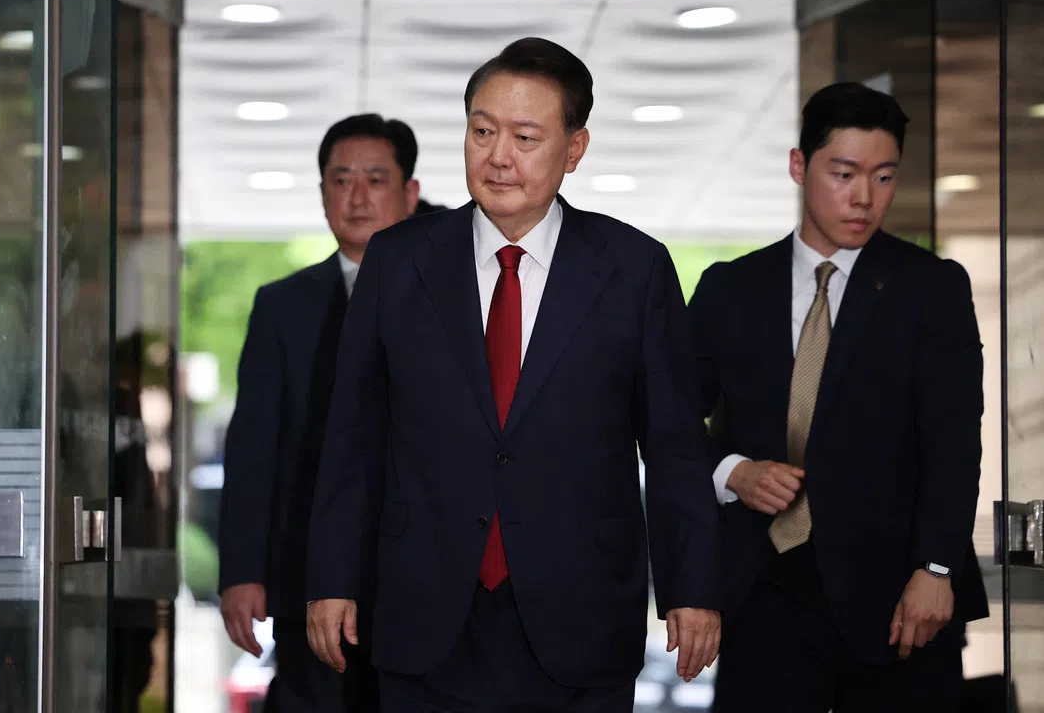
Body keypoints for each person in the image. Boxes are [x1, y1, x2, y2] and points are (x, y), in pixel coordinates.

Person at [305, 36, 720, 712]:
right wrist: (331, 577)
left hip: (580, 613)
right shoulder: (397, 261)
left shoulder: (633, 268)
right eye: (482, 131)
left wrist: (693, 587)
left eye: (525, 136)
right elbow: (354, 435)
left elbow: (673, 445)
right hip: (427, 613)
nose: (498, 156)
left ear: (574, 149)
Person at [688, 82, 988, 712]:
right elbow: (670, 422)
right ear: (799, 166)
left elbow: (954, 442)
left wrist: (936, 570)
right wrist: (732, 471)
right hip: (763, 589)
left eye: (883, 177)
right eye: (843, 173)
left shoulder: (930, 289)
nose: (863, 198)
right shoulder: (729, 289)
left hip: (900, 598)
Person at [218, 113, 422, 712]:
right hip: (306, 569)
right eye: (340, 180)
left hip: (423, 572)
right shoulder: (283, 306)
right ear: (322, 194)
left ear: (409, 193)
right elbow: (254, 446)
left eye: (376, 179)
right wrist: (242, 570)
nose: (357, 197)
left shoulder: (456, 296)